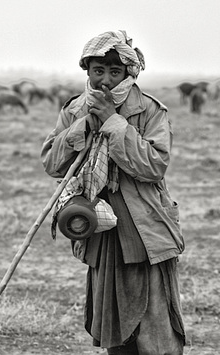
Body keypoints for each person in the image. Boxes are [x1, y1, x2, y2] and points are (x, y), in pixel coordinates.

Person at [41, 30, 186, 354]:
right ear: (88, 71)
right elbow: (52, 164)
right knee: (114, 326)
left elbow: (154, 165)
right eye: (98, 71)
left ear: (129, 74)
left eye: (115, 71)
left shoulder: (150, 110)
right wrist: (83, 127)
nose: (105, 80)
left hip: (146, 229)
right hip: (101, 229)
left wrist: (112, 122)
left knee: (155, 327)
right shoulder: (75, 110)